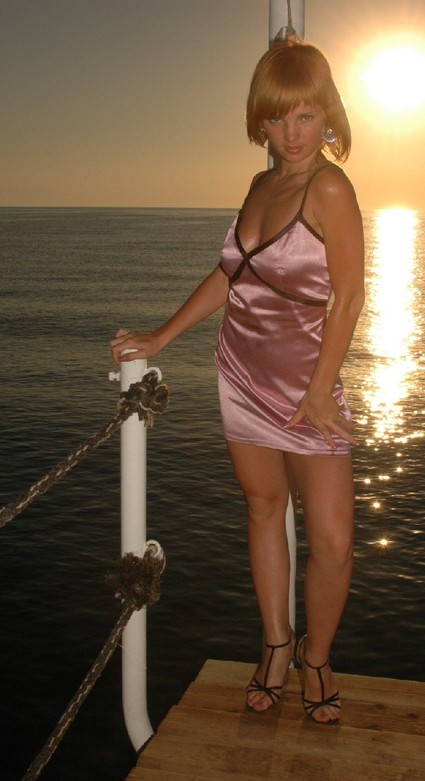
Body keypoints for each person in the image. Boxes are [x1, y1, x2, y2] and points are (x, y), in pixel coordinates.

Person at [111, 38, 364, 724]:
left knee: (333, 538)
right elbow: (233, 275)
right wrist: (160, 337)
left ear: (329, 116)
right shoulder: (259, 185)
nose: (291, 133)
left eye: (305, 116)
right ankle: (276, 645)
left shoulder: (329, 187)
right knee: (262, 510)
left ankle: (317, 656)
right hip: (242, 373)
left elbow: (347, 297)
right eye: (277, 117)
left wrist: (320, 389)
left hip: (307, 384)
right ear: (260, 120)